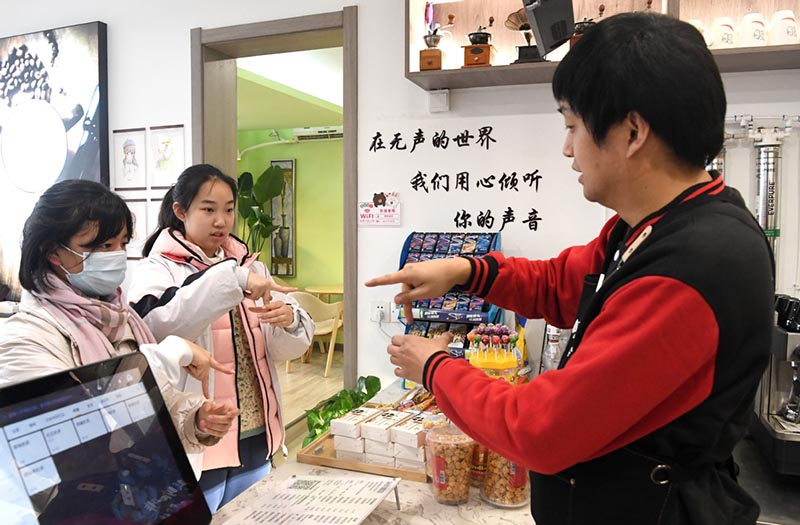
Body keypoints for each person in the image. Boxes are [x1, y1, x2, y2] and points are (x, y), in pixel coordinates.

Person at [366, 12, 774, 525]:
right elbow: (564, 283)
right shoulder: (650, 225)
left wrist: (434, 367)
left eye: (572, 125)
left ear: (631, 132)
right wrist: (465, 271)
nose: (566, 148)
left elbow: (541, 430)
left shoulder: (694, 267)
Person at [0, 180, 239, 480]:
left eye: (122, 244)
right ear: (53, 252)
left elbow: (155, 399)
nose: (116, 255)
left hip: (138, 490)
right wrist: (172, 352)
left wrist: (194, 418)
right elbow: (85, 432)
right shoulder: (27, 338)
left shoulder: (120, 318)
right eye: (101, 246)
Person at [128, 163, 314, 512]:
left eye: (229, 210)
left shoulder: (249, 264)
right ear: (180, 211)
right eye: (208, 209)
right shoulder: (159, 268)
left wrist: (288, 320)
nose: (221, 220)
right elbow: (155, 329)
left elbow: (275, 348)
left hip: (255, 427)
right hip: (199, 432)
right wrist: (231, 280)